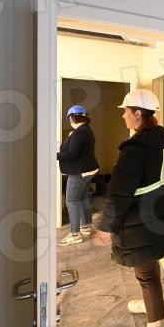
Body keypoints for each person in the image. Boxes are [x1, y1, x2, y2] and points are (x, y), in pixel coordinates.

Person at [94, 89, 164, 327]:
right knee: (149, 269)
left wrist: (106, 226)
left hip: (142, 223)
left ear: (138, 113)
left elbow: (119, 193)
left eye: (126, 111)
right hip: (159, 217)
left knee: (147, 274)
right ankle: (151, 304)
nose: (123, 116)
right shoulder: (161, 140)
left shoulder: (136, 150)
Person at [57, 105, 100, 245]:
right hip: (88, 169)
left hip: (79, 172)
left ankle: (75, 234)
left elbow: (72, 154)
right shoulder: (85, 130)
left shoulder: (79, 133)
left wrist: (53, 154)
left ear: (72, 118)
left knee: (71, 201)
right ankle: (86, 226)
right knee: (82, 198)